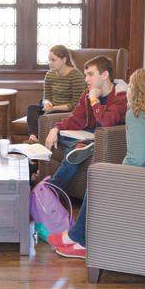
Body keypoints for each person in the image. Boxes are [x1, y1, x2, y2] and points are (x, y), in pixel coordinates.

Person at [49, 68, 145, 259]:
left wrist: (115, 175)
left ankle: (80, 241)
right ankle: (75, 237)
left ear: (136, 89)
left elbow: (136, 158)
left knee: (98, 181)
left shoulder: (137, 113)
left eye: (131, 85)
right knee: (104, 177)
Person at [44, 55, 128, 190]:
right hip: (89, 134)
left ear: (104, 74)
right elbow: (76, 117)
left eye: (90, 74)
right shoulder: (87, 93)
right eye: (85, 75)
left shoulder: (121, 95)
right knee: (59, 136)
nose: (86, 79)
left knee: (76, 148)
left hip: (107, 139)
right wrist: (56, 129)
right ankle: (82, 145)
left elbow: (107, 122)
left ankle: (52, 191)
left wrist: (94, 99)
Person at [25, 45, 86, 144]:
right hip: (51, 107)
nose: (50, 63)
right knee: (31, 108)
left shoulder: (76, 76)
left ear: (64, 60)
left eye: (53, 60)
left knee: (47, 115)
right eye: (49, 60)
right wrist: (47, 103)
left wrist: (53, 108)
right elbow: (46, 96)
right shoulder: (50, 74)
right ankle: (33, 137)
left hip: (66, 109)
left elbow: (76, 105)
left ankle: (38, 141)